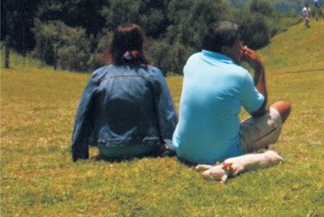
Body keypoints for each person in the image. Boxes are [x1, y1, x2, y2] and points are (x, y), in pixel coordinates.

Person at [172, 21, 292, 166]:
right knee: (283, 106)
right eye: (238, 44)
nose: (242, 48)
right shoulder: (239, 75)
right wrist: (259, 68)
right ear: (226, 49)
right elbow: (258, 111)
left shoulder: (193, 60)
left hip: (183, 149)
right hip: (221, 155)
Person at [71, 23, 177, 161]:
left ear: (114, 45)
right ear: (141, 45)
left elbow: (82, 115)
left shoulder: (99, 76)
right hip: (146, 146)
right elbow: (167, 114)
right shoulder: (153, 74)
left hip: (108, 148)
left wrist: (79, 153)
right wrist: (171, 146)